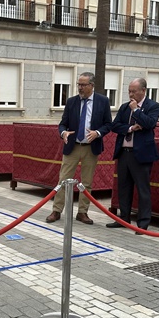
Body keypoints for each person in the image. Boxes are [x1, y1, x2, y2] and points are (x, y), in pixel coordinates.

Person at [45, 72, 112, 225]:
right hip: (73, 146)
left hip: (91, 147)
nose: (80, 88)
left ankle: (82, 212)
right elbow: (62, 123)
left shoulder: (103, 101)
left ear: (91, 85)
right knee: (63, 180)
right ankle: (56, 210)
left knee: (87, 182)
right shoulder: (71, 102)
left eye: (83, 85)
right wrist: (63, 133)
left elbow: (108, 124)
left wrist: (98, 133)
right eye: (78, 85)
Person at [106, 78, 159, 233]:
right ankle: (124, 219)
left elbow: (150, 123)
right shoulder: (124, 107)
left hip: (141, 155)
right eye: (129, 91)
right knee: (123, 188)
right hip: (124, 153)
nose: (130, 94)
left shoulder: (153, 106)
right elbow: (115, 125)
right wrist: (130, 128)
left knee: (143, 189)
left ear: (143, 90)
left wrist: (136, 110)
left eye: (133, 91)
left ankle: (143, 224)